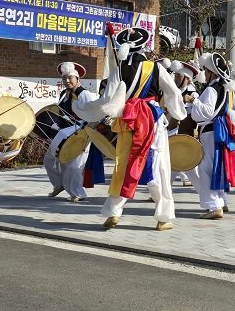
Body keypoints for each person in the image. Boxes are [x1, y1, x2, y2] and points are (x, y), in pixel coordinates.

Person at [75, 27, 187, 231]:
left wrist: (84, 109)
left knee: (124, 166)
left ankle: (113, 212)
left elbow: (108, 100)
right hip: (151, 122)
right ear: (143, 47)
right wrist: (179, 114)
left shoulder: (119, 69)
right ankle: (163, 216)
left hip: (127, 121)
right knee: (158, 167)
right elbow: (172, 93)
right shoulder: (155, 68)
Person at [190, 52, 235, 218]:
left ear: (211, 71)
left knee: (206, 168)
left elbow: (206, 111)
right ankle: (221, 201)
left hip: (210, 131)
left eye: (205, 69)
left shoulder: (212, 89)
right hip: (218, 130)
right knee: (216, 166)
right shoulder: (222, 87)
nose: (203, 73)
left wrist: (193, 101)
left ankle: (214, 205)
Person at [43, 61, 101, 202]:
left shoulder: (84, 94)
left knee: (73, 165)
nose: (67, 81)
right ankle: (59, 184)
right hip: (63, 132)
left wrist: (86, 133)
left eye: (70, 78)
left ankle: (78, 193)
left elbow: (95, 115)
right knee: (49, 159)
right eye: (64, 78)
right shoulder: (64, 93)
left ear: (77, 79)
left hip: (79, 133)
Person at [169, 60, 200, 187]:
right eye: (175, 75)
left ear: (187, 79)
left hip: (185, 132)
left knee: (188, 163)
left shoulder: (193, 94)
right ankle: (160, 192)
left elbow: (197, 114)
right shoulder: (173, 92)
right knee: (170, 162)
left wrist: (196, 129)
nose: (176, 78)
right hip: (172, 131)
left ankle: (208, 194)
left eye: (179, 76)